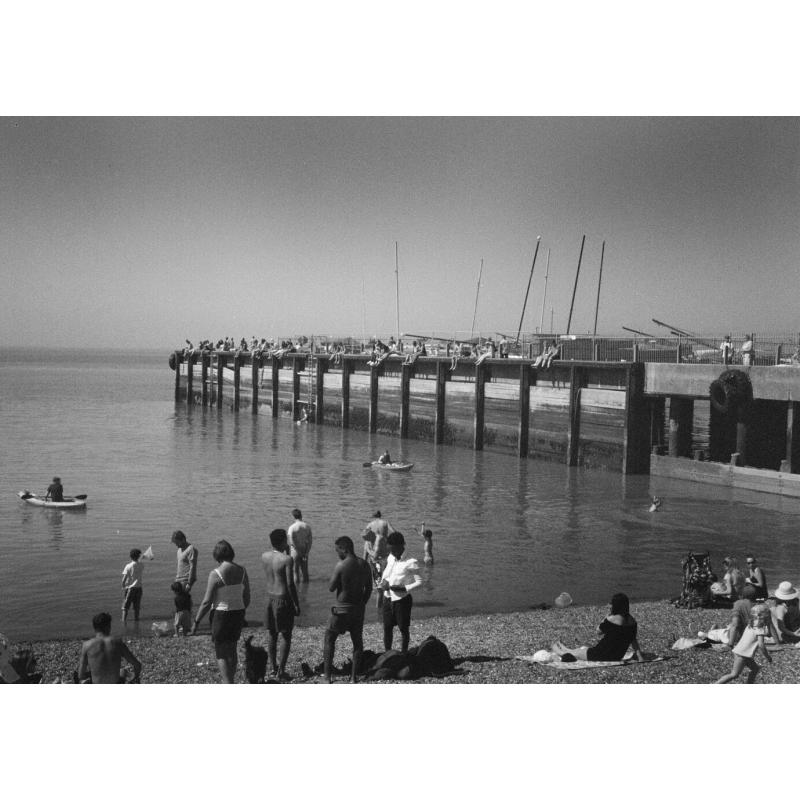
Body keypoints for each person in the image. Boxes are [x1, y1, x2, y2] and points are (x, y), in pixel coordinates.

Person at [190, 539, 250, 684]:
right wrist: (241, 611)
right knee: (232, 649)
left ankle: (227, 683)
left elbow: (206, 602)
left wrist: (196, 622)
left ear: (217, 555)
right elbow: (247, 597)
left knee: (221, 652)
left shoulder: (216, 573)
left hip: (221, 614)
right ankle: (231, 680)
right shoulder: (242, 571)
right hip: (238, 612)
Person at [323, 536, 374, 683]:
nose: (337, 554)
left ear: (344, 549)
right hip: (358, 609)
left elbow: (331, 588)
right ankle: (353, 678)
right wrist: (362, 604)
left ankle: (327, 677)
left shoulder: (341, 565)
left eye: (337, 551)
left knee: (329, 639)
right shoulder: (365, 565)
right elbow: (369, 589)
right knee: (357, 643)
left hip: (341, 610)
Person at [552, 593, 646, 662]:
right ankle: (563, 646)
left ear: (615, 605)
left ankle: (556, 648)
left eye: (612, 603)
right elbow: (633, 640)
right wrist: (640, 657)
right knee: (579, 650)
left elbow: (598, 631)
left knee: (574, 653)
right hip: (617, 656)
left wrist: (606, 616)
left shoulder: (612, 619)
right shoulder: (632, 621)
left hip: (600, 654)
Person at [261, 528, 301, 681]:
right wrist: (296, 604)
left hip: (269, 598)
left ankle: (273, 668)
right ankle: (281, 671)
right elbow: (290, 584)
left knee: (272, 634)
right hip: (282, 599)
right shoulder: (286, 560)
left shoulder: (264, 556)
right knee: (285, 635)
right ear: (284, 541)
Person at [378, 531, 423, 653]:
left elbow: (420, 582)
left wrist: (404, 588)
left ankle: (404, 654)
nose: (391, 552)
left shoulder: (411, 562)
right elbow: (387, 574)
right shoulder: (391, 557)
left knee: (403, 628)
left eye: (393, 549)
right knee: (387, 628)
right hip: (388, 598)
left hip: (402, 600)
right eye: (389, 549)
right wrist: (383, 581)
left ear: (400, 546)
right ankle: (388, 653)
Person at [77, 612, 142, 684]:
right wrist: (135, 677)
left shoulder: (87, 645)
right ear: (108, 626)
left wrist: (92, 674)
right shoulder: (118, 643)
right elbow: (137, 665)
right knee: (123, 672)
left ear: (94, 627)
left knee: (82, 679)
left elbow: (80, 675)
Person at [716, 604, 772, 683]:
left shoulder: (751, 624)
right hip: (742, 654)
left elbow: (768, 634)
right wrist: (768, 657)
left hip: (742, 653)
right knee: (734, 674)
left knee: (755, 669)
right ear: (765, 617)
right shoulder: (760, 628)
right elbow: (761, 645)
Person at [362, 510, 393, 582]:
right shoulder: (385, 523)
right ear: (380, 515)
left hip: (374, 551)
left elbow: (365, 535)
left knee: (376, 575)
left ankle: (364, 569)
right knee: (385, 573)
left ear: (373, 516)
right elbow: (394, 532)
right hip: (384, 550)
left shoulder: (370, 524)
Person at [287, 508, 312, 583]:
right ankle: (306, 587)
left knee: (295, 572)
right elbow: (310, 541)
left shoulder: (292, 527)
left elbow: (291, 541)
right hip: (305, 550)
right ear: (301, 515)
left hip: (295, 552)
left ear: (293, 516)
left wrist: (298, 551)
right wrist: (307, 552)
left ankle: (297, 588)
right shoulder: (307, 526)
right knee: (305, 571)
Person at [121, 548, 144, 623]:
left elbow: (124, 579)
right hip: (139, 588)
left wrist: (123, 586)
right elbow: (138, 564)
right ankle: (136, 620)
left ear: (130, 556)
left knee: (125, 607)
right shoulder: (141, 565)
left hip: (130, 588)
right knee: (137, 607)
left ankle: (123, 621)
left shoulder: (128, 566)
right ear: (139, 556)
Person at [171, 530, 198, 595]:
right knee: (179, 599)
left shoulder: (191, 549)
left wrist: (189, 584)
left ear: (183, 539)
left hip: (185, 581)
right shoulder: (179, 550)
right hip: (178, 580)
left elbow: (192, 567)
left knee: (183, 599)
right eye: (175, 543)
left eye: (177, 543)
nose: (176, 545)